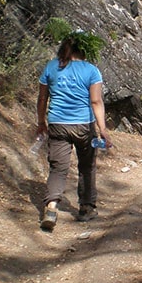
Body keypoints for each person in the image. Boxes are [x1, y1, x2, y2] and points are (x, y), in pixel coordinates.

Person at [36, 30, 112, 230]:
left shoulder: (52, 66)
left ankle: (51, 207)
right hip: (83, 126)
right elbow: (96, 101)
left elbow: (42, 98)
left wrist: (41, 122)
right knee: (86, 167)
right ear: (85, 49)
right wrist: (103, 129)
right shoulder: (91, 71)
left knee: (58, 168)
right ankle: (86, 208)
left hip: (57, 125)